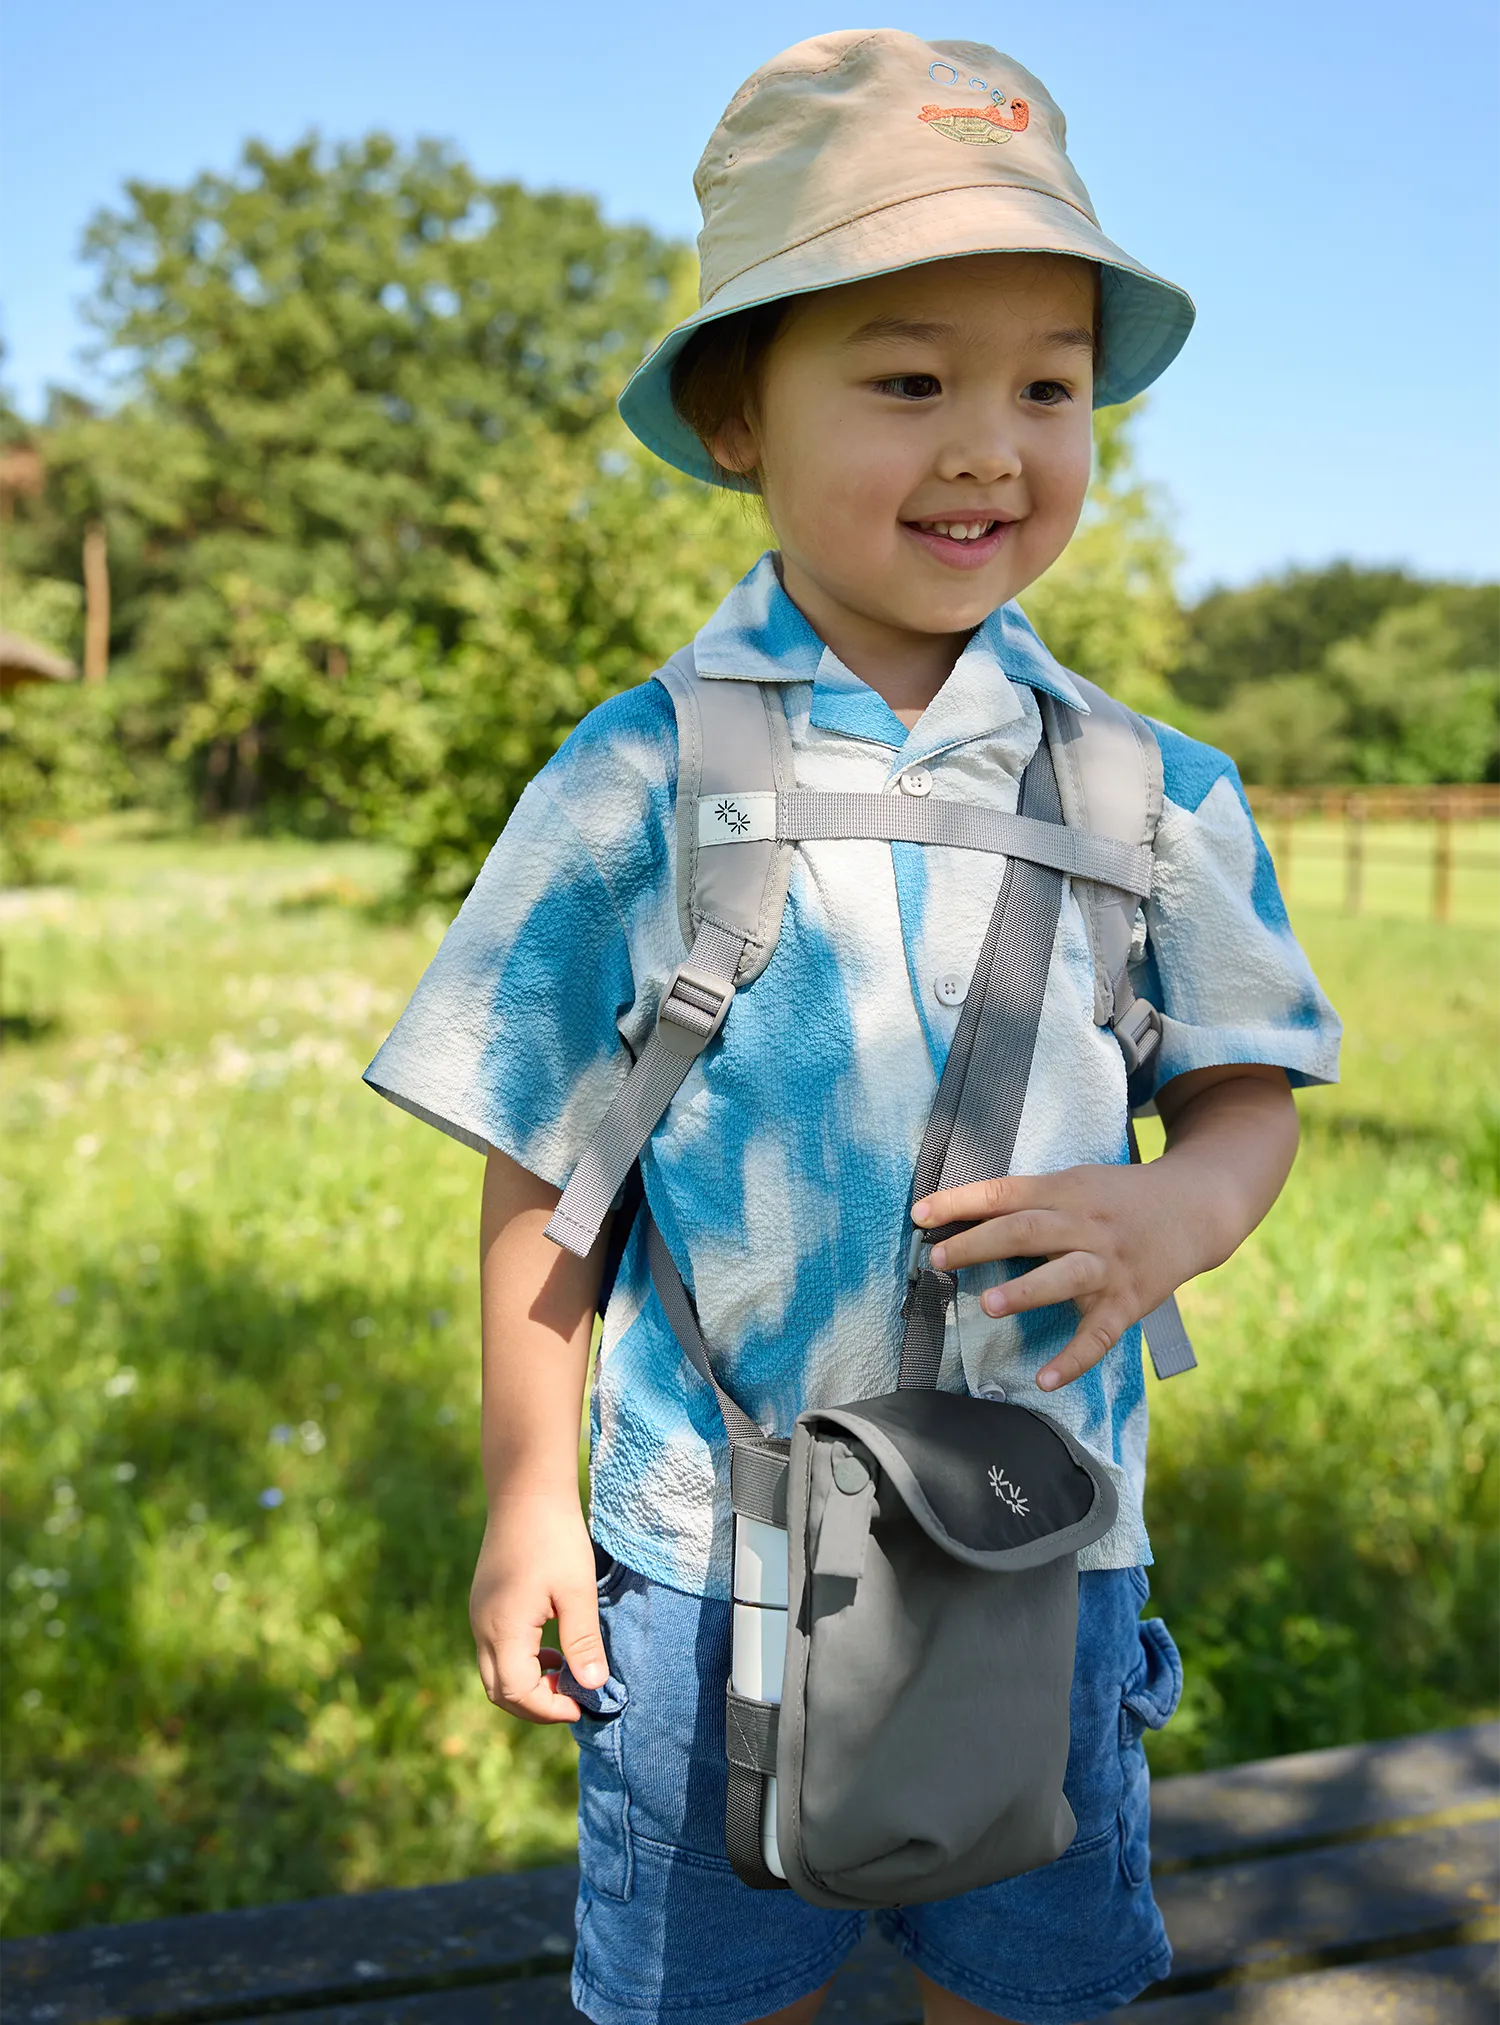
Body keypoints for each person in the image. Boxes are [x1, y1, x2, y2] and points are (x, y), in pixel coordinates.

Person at [365, 29, 1340, 2025]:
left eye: (1047, 386)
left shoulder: (1156, 792)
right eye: (909, 379)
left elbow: (1246, 1100)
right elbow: (548, 1168)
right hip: (700, 1565)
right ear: (740, 414)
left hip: (1041, 1560)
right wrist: (528, 1495)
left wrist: (1182, 1213)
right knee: (723, 1988)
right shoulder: (635, 779)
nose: (992, 445)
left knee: (1031, 1971)